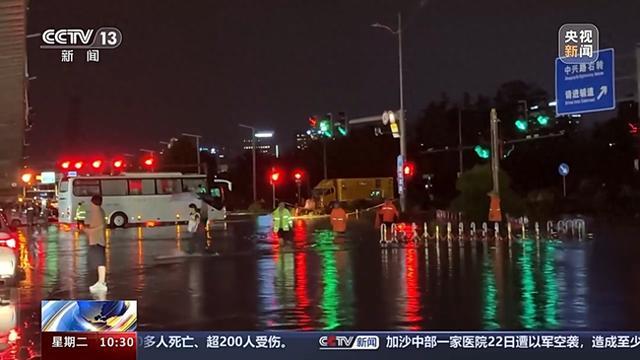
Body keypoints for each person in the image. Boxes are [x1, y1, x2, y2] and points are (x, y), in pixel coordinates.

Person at [86, 195, 107, 293]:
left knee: (99, 261)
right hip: (99, 240)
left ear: (93, 202)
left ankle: (101, 283)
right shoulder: (100, 211)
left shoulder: (96, 212)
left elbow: (101, 226)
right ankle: (101, 282)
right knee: (99, 262)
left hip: (96, 240)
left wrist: (88, 230)